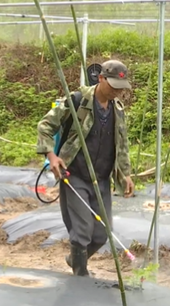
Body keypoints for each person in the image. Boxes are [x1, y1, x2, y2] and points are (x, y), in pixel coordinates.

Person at [36, 59, 135, 276]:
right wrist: (51, 156)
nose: (117, 93)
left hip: (101, 179)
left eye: (121, 89)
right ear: (101, 79)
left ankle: (75, 259)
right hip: (75, 176)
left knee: (101, 234)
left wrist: (125, 174)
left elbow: (122, 144)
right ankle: (80, 276)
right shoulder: (77, 101)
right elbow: (44, 126)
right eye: (113, 87)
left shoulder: (117, 110)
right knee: (82, 232)